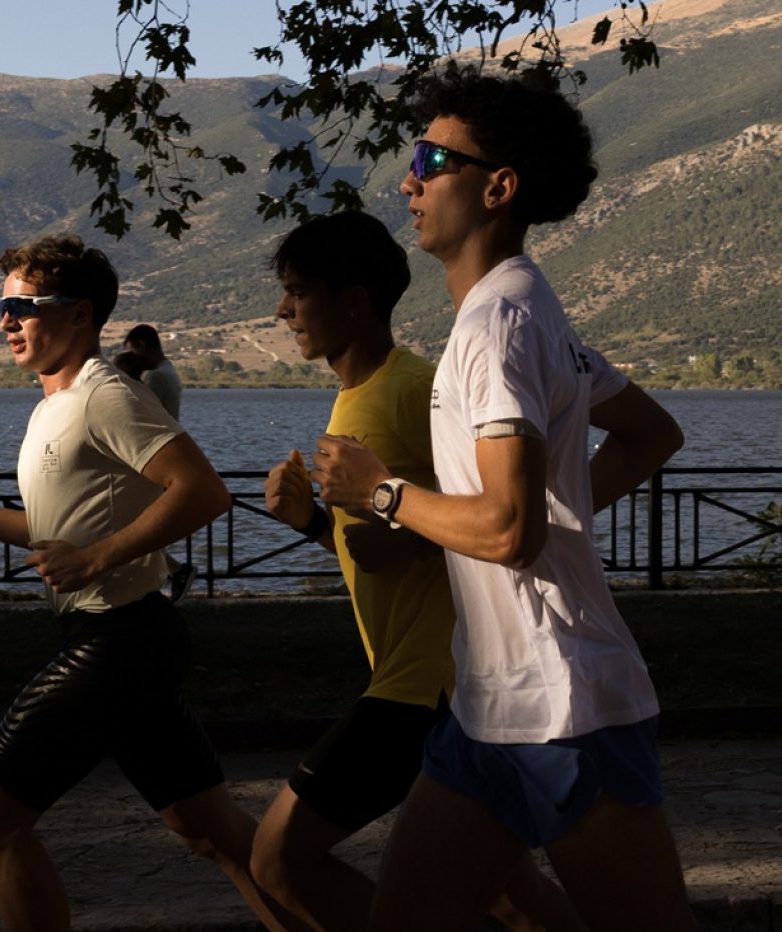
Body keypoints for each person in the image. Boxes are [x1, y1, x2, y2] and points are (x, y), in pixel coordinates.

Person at [309, 68, 697, 932]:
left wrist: (379, 490)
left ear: (498, 187)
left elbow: (507, 529)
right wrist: (561, 511)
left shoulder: (500, 326)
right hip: (488, 707)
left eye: (429, 161)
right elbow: (649, 435)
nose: (407, 182)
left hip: (562, 706)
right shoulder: (519, 311)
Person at [0, 234, 300, 932]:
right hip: (128, 639)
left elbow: (203, 492)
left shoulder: (105, 395)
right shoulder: (54, 405)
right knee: (209, 830)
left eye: (25, 306)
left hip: (116, 641)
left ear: (80, 314)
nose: (7, 320)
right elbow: (63, 533)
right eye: (3, 307)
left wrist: (98, 559)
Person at [255, 211, 584, 932]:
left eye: (298, 292)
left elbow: (490, 518)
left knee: (278, 858)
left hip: (425, 685)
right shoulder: (355, 397)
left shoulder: (414, 390)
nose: (282, 310)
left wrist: (401, 535)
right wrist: (313, 525)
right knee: (508, 894)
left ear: (354, 301)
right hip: (420, 678)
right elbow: (385, 548)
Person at [122, 323, 197, 601]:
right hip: (158, 455)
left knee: (133, 528)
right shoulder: (168, 371)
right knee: (135, 527)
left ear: (142, 346)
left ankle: (171, 572)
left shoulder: (155, 377)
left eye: (132, 351)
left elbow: (135, 412)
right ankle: (163, 575)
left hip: (149, 458)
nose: (133, 358)